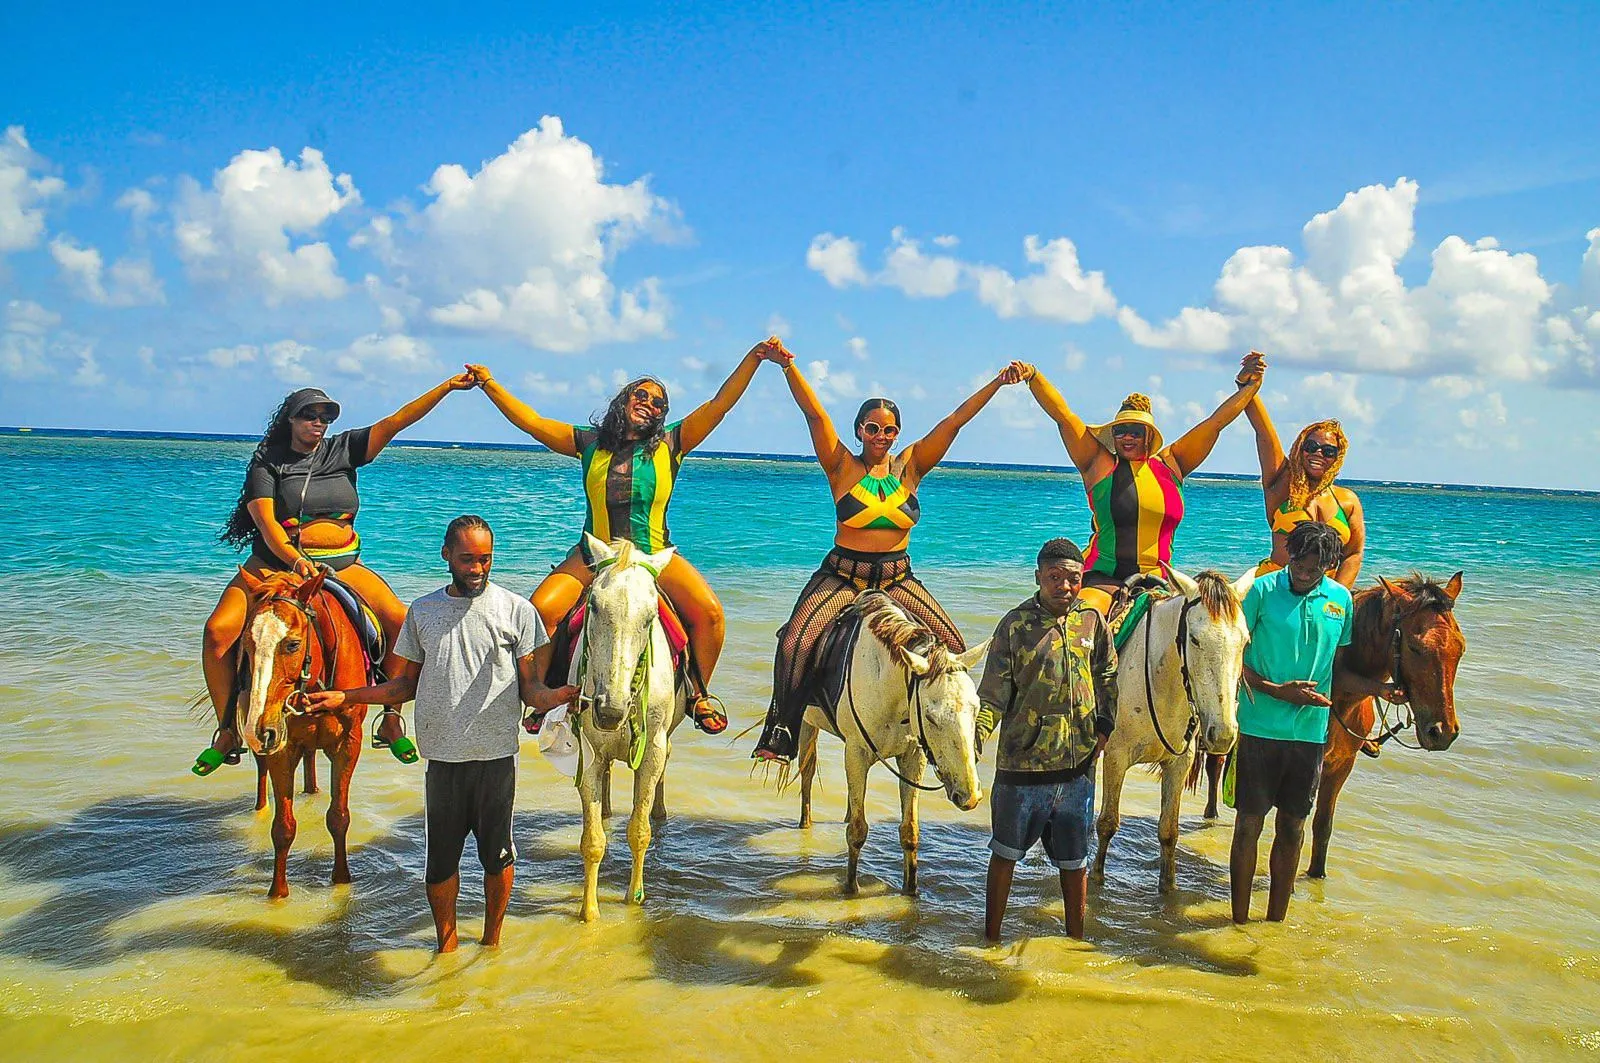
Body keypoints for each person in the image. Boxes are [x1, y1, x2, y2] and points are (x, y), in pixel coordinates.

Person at [466, 341, 787, 735]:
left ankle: (698, 693)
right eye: (642, 396)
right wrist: (489, 384)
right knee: (539, 612)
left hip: (654, 556)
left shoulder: (673, 443)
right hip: (593, 555)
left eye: (658, 404)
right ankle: (543, 693)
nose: (649, 405)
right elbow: (531, 422)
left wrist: (753, 359)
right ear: (624, 399)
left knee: (712, 614)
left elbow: (720, 403)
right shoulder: (588, 443)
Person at [307, 516, 578, 953]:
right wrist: (345, 695)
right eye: (468, 559)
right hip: (443, 762)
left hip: (495, 760)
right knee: (439, 865)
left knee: (498, 857)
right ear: (446, 555)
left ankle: (492, 944)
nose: (477, 569)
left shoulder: (517, 611)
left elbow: (531, 690)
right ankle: (446, 949)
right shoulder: (424, 611)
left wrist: (560, 696)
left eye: (485, 559)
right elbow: (403, 686)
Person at [752, 343, 1028, 763]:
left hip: (898, 577)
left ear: (897, 433)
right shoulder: (841, 465)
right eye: (872, 428)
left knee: (952, 651)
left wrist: (998, 383)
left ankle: (946, 739)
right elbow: (815, 415)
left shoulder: (911, 467)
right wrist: (788, 366)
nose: (881, 436)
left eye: (888, 430)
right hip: (843, 576)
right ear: (859, 430)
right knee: (795, 641)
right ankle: (782, 731)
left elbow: (954, 422)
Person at [194, 376, 475, 775]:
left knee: (402, 622)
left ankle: (390, 716)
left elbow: (396, 422)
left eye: (325, 416)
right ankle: (227, 730)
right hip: (276, 563)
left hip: (342, 564)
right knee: (218, 631)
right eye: (309, 415)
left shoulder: (343, 450)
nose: (319, 422)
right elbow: (266, 522)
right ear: (290, 420)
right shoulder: (268, 461)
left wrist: (445, 388)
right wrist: (293, 560)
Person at [1229, 521, 1402, 924]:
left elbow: (1336, 672)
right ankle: (1237, 921)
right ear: (1288, 554)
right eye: (1299, 562)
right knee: (1248, 827)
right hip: (1258, 729)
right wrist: (1276, 690)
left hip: (1310, 736)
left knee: (1292, 830)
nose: (1305, 572)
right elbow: (1232, 658)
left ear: (1330, 565)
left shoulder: (1340, 600)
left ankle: (1275, 924)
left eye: (1316, 566)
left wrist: (1381, 690)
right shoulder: (1261, 591)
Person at [1014, 353, 1266, 617]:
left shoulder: (1172, 464)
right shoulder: (1098, 465)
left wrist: (1249, 387)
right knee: (1084, 625)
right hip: (1103, 579)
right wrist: (1033, 376)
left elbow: (1215, 424)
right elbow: (1064, 417)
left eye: (1136, 431)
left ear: (1149, 435)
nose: (1127, 437)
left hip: (1160, 581)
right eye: (1120, 431)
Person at [976, 538, 1117, 942]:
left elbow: (1108, 676)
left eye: (1073, 579)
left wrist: (1104, 726)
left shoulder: (1093, 620)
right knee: (1004, 856)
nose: (1065, 587)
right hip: (1021, 770)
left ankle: (1076, 941)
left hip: (1077, 773)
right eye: (1055, 578)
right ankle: (991, 939)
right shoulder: (1015, 625)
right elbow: (993, 694)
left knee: (1074, 863)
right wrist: (976, 737)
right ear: (1039, 577)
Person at [1242, 397, 1366, 588]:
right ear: (1301, 449)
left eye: (1328, 451)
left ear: (1337, 457)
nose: (1318, 453)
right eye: (1311, 447)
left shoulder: (1347, 501)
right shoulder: (1282, 483)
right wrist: (1248, 386)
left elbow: (1353, 554)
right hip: (1274, 586)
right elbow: (1264, 433)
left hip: (1322, 592)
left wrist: (1337, 597)